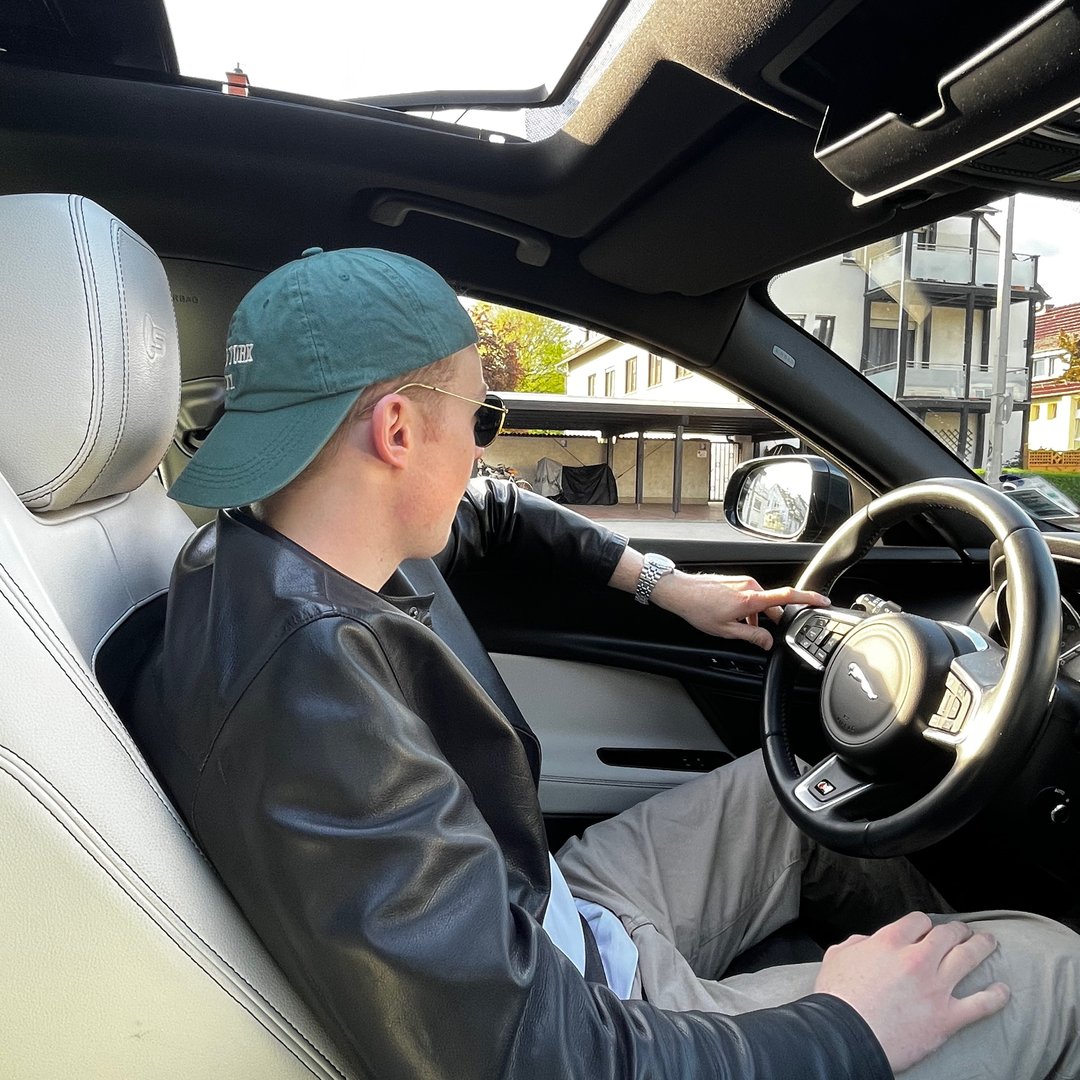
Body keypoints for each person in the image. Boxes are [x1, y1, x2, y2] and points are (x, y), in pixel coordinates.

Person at [128, 246, 1080, 1080]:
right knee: (1057, 970)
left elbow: (502, 513)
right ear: (399, 432)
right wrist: (854, 1026)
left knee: (810, 792)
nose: (482, 454)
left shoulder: (279, 550)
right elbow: (545, 1058)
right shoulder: (312, 707)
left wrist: (671, 586)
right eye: (481, 417)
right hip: (598, 1014)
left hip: (565, 910)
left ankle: (936, 978)